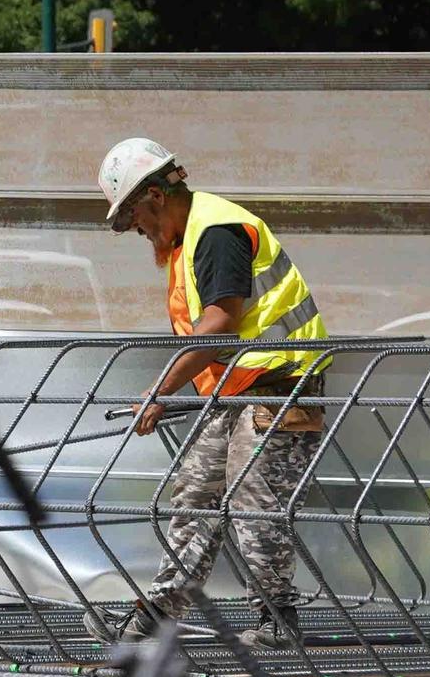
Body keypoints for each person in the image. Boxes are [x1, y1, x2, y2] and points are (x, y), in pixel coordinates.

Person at [84, 137, 329, 650]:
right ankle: (153, 617)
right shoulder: (188, 238)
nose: (137, 231)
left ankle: (276, 620)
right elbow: (213, 339)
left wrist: (160, 389)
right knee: (195, 495)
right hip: (238, 391)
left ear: (154, 195)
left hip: (282, 390)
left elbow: (220, 324)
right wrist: (178, 390)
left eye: (133, 217)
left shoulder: (215, 231)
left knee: (252, 505)